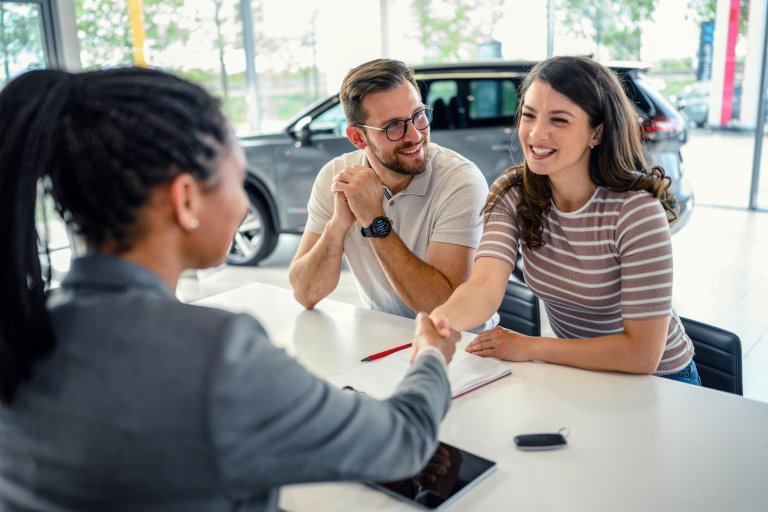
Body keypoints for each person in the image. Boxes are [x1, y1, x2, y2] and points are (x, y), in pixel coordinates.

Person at [0, 67, 460, 511]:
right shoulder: (217, 354)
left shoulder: (25, 330)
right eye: (235, 178)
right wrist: (430, 355)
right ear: (185, 200)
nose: (243, 206)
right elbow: (405, 440)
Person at [430, 56, 700, 385]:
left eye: (559, 120)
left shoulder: (635, 212)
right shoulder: (513, 191)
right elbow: (484, 287)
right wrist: (438, 323)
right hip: (584, 370)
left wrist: (531, 346)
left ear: (596, 133)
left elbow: (642, 354)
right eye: (529, 116)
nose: (536, 133)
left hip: (661, 381)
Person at [288, 59, 491, 329]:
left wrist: (375, 221)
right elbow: (305, 294)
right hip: (382, 338)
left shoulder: (460, 181)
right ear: (358, 138)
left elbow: (443, 309)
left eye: (418, 115)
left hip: (459, 343)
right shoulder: (336, 176)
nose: (415, 135)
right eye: (393, 126)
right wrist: (338, 225)